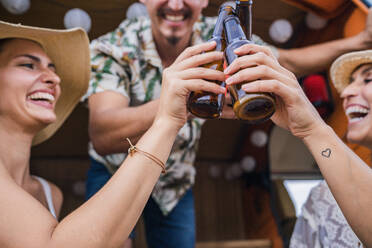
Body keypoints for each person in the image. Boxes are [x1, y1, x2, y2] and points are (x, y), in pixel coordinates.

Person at [84, 1, 372, 247]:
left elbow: (288, 61)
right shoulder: (114, 46)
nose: (175, 4)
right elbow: (102, 133)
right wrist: (180, 101)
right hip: (114, 170)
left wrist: (360, 41)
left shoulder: (222, 31)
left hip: (176, 179)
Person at [0, 20, 226, 248]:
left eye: (53, 68)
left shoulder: (50, 193)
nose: (54, 78)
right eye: (28, 65)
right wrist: (167, 119)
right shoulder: (117, 45)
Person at [225, 44, 372, 247]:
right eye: (350, 82)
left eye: (368, 79)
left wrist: (313, 129)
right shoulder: (321, 199)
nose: (346, 92)